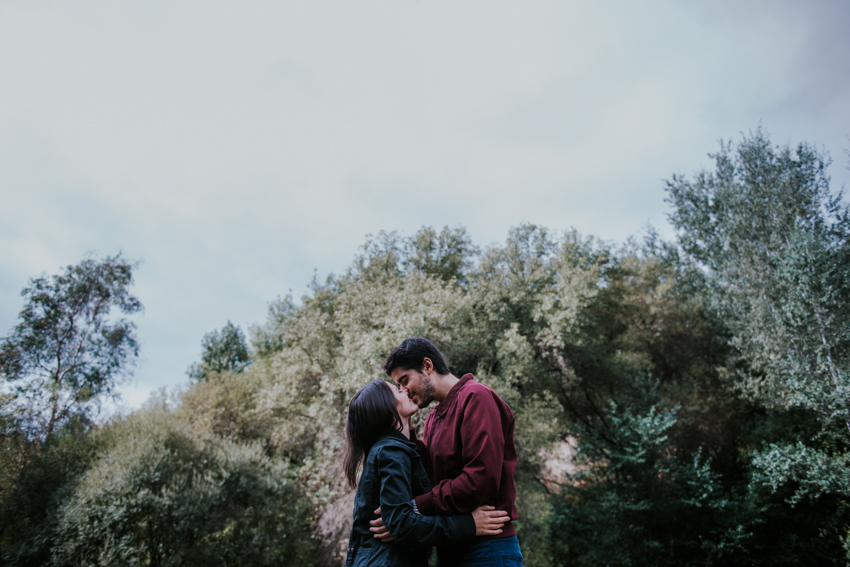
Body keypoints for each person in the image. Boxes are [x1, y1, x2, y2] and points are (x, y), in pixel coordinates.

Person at [371, 338, 523, 567]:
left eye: (405, 381)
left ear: (427, 366)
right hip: (452, 548)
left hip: (487, 549)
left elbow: (480, 480)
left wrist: (415, 508)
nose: (404, 391)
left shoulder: (476, 397)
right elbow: (431, 478)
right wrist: (406, 429)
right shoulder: (434, 417)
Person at [344, 379, 510, 567]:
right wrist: (468, 525)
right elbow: (402, 524)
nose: (404, 391)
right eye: (397, 391)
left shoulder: (391, 450)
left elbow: (401, 520)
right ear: (385, 407)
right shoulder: (391, 452)